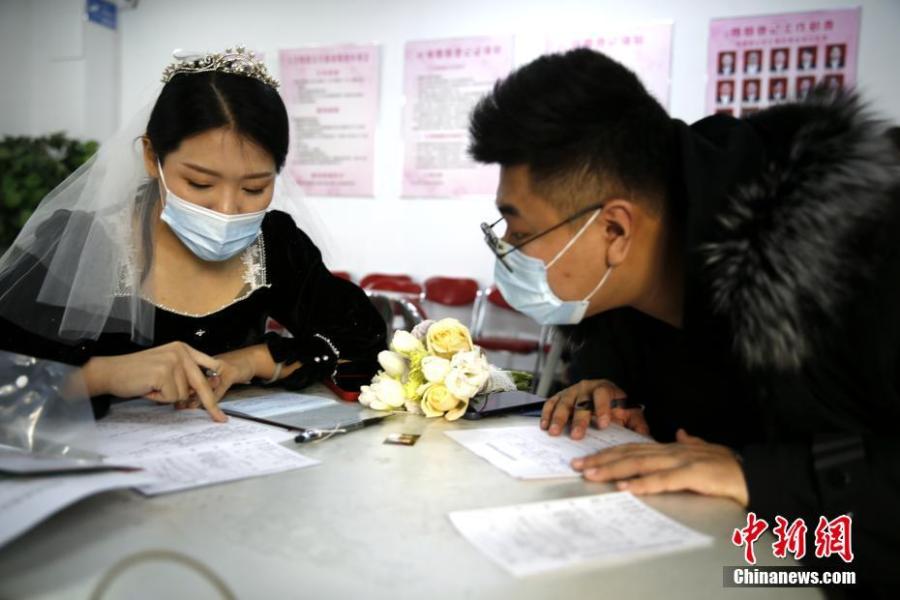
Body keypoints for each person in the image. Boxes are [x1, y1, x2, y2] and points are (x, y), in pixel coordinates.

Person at [469, 48, 900, 590]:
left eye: (521, 231)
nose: (507, 249)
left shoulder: (869, 257)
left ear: (615, 231)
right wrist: (607, 383)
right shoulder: (632, 287)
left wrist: (763, 478)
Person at [0, 47, 386, 420]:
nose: (227, 208)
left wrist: (254, 360)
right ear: (152, 157)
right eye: (200, 183)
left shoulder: (273, 244)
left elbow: (362, 337)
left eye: (254, 188)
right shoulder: (83, 244)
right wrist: (101, 374)